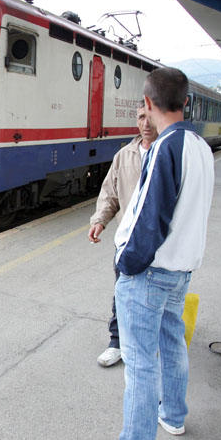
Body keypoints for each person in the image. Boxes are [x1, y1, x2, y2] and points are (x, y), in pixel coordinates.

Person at [82, 68, 214, 440]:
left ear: (149, 104)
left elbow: (147, 218)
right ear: (186, 102)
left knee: (139, 366)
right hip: (181, 270)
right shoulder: (199, 146)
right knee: (173, 345)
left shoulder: (164, 148)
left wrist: (127, 263)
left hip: (150, 272)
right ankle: (173, 416)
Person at [88, 100, 158, 367]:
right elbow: (110, 193)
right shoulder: (125, 154)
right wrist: (99, 221)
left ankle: (150, 344)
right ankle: (116, 342)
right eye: (140, 117)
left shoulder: (167, 152)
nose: (145, 123)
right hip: (128, 240)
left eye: (149, 117)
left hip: (160, 242)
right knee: (123, 291)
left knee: (155, 294)